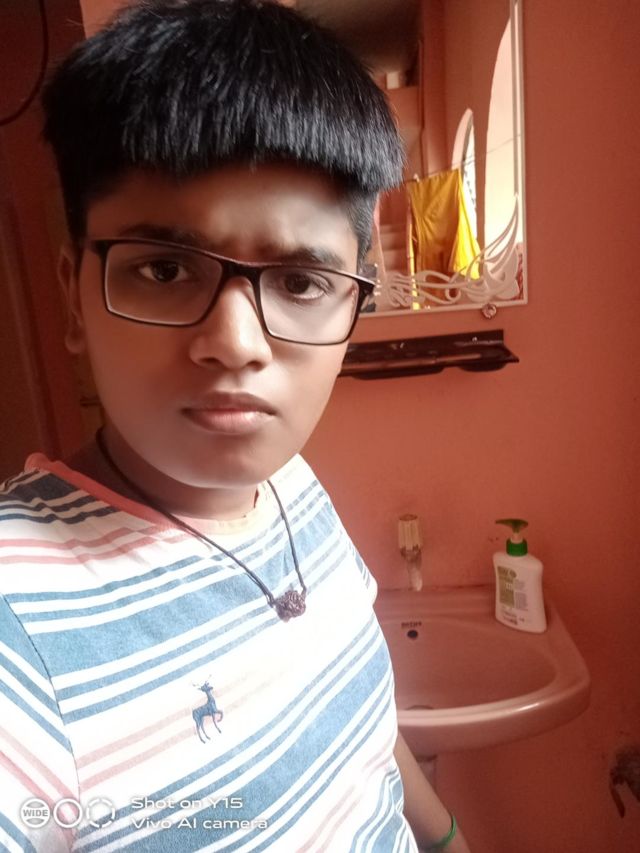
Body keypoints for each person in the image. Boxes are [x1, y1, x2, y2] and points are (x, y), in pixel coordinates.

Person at [0, 1, 470, 850]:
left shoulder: (292, 484)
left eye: (299, 281)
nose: (235, 343)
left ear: (353, 306)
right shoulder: (20, 628)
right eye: (164, 268)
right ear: (74, 297)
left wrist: (447, 838)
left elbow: (364, 729)